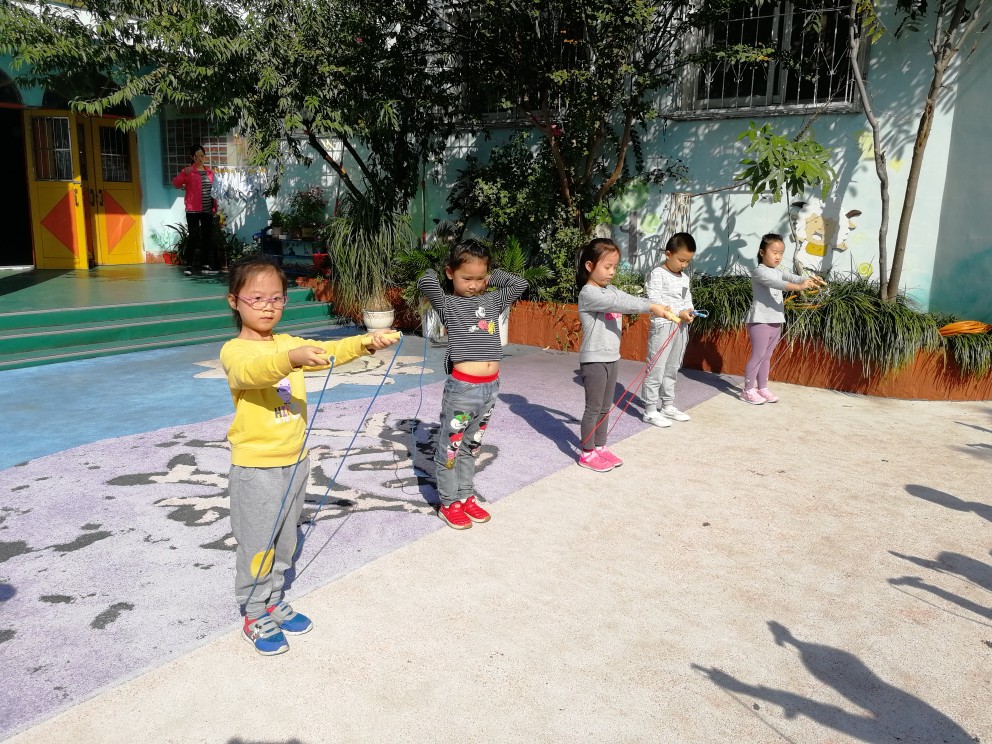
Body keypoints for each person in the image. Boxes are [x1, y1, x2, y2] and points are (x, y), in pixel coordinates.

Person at [220, 255, 399, 655]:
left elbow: (330, 350)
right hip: (256, 468)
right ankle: (254, 611)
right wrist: (290, 359)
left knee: (285, 539)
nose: (268, 306)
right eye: (257, 298)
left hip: (296, 460)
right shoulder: (235, 351)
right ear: (235, 301)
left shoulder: (288, 344)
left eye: (277, 298)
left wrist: (366, 342)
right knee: (257, 543)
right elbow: (252, 374)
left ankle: (273, 599)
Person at [417, 239, 528, 530]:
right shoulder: (449, 304)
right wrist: (436, 272)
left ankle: (465, 496)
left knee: (471, 446)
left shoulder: (492, 301)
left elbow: (520, 284)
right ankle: (448, 502)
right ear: (451, 272)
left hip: (490, 388)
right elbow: (426, 281)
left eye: (480, 278)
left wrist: (492, 276)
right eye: (467, 278)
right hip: (463, 389)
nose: (474, 285)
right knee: (450, 449)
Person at [576, 238, 677, 472]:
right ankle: (587, 453)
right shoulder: (588, 293)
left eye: (615, 267)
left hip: (612, 357)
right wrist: (650, 307)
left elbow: (628, 299)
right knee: (593, 408)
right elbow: (620, 304)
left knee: (605, 407)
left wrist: (656, 305)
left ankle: (600, 446)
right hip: (594, 360)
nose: (612, 272)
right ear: (589, 266)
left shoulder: (610, 290)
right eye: (607, 267)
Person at [742, 233, 824, 405]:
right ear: (762, 252)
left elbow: (795, 277)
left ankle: (762, 388)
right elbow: (777, 284)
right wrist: (799, 287)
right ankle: (748, 390)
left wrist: (809, 280)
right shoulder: (759, 271)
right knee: (758, 355)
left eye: (781, 253)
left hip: (776, 319)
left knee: (767, 356)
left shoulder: (778, 271)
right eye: (774, 252)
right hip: (760, 320)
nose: (778, 256)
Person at [641, 232, 697, 428]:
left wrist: (689, 312)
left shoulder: (685, 278)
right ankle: (650, 410)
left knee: (673, 367)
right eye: (681, 260)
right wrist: (677, 313)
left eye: (688, 261)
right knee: (656, 367)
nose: (684, 265)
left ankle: (667, 405)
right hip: (663, 326)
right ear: (668, 254)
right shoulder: (657, 274)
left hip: (680, 327)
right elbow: (655, 301)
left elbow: (687, 300)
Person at [172, 144, 220, 275]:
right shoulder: (188, 171)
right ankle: (189, 265)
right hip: (193, 209)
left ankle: (205, 264)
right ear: (192, 157)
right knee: (193, 236)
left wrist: (215, 206)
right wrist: (184, 174)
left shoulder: (209, 172)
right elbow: (176, 183)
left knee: (206, 237)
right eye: (197, 156)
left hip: (207, 209)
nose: (200, 158)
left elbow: (214, 190)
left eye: (202, 156)